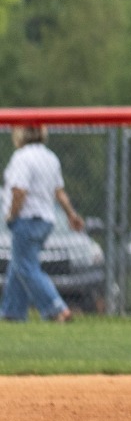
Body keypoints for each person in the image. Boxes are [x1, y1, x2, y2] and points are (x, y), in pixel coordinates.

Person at [4, 126, 85, 323]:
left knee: (26, 267)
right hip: (46, 220)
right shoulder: (50, 157)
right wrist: (71, 214)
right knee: (18, 265)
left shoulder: (22, 157)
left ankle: (56, 309)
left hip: (28, 218)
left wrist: (11, 215)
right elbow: (59, 192)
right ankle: (12, 313)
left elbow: (19, 191)